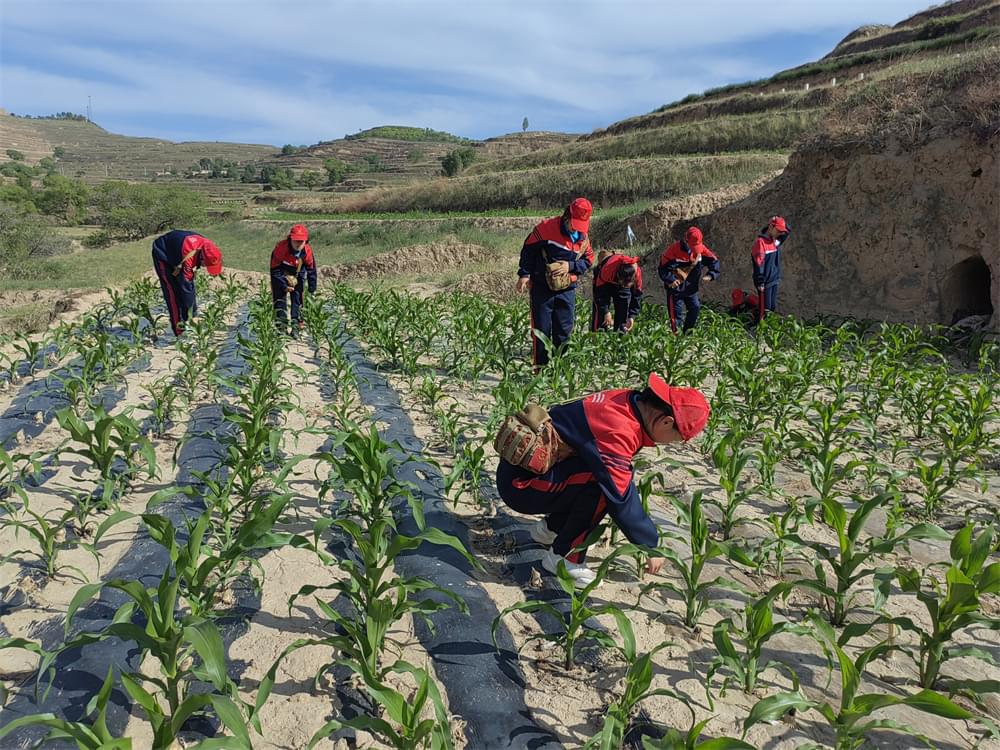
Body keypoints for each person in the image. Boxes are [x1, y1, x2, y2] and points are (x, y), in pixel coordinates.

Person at [496, 374, 710, 588]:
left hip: (525, 472)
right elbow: (620, 496)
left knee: (600, 473)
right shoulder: (619, 429)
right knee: (603, 485)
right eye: (677, 438)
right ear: (666, 421)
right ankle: (565, 558)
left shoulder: (626, 400)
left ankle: (548, 530)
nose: (672, 444)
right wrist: (650, 545)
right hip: (522, 486)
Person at [516, 198, 595, 367]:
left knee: (564, 331)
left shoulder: (583, 238)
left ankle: (559, 369)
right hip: (542, 288)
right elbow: (528, 250)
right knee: (541, 331)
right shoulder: (546, 229)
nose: (577, 228)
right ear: (567, 216)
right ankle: (540, 370)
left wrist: (571, 265)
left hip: (566, 289)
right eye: (575, 224)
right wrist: (524, 274)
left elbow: (589, 260)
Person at [151, 230, 222, 337]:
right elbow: (187, 288)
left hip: (177, 251)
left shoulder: (209, 246)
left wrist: (193, 312)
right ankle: (179, 331)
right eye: (205, 264)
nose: (204, 267)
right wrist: (190, 316)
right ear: (202, 258)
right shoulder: (188, 258)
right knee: (172, 292)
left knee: (184, 289)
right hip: (162, 251)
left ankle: (187, 319)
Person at [658, 226, 720, 333]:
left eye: (697, 246)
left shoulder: (701, 250)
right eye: (693, 246)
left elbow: (714, 261)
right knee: (675, 319)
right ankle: (675, 341)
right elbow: (662, 268)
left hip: (691, 289)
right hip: (675, 291)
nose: (695, 250)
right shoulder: (673, 250)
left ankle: (687, 335)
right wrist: (671, 279)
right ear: (686, 241)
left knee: (695, 309)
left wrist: (711, 274)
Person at [270, 224, 317, 336]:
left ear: (306, 241)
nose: (298, 244)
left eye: (301, 241)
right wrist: (284, 285)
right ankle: (281, 327)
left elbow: (311, 270)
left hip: (298, 271)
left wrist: (312, 288)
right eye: (295, 240)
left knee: (298, 299)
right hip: (280, 271)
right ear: (290, 239)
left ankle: (296, 326)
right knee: (279, 299)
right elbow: (274, 269)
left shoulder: (307, 252)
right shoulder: (281, 248)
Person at [591, 251, 642, 333]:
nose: (626, 286)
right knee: (601, 315)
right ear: (619, 278)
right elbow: (598, 294)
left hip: (621, 279)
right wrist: (606, 311)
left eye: (628, 285)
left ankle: (620, 339)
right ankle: (597, 336)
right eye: (624, 284)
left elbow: (637, 295)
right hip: (605, 282)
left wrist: (632, 316)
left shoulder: (637, 274)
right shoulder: (607, 270)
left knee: (623, 312)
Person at [751, 216, 791, 317]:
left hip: (774, 279)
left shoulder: (775, 242)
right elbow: (759, 264)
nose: (780, 233)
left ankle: (765, 328)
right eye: (778, 230)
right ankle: (756, 328)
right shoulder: (761, 243)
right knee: (765, 309)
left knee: (772, 307)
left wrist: (779, 219)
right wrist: (760, 282)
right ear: (771, 227)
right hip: (765, 282)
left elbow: (787, 231)